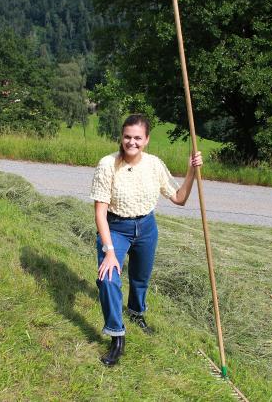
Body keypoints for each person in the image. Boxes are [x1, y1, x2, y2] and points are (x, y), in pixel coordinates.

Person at [89, 113, 203, 366]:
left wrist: (191, 172)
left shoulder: (154, 165)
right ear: (122, 137)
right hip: (115, 228)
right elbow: (99, 212)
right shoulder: (107, 164)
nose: (132, 142)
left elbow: (179, 198)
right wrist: (109, 251)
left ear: (147, 139)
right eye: (127, 137)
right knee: (107, 278)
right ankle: (117, 336)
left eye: (138, 138)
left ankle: (136, 313)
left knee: (140, 278)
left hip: (147, 228)